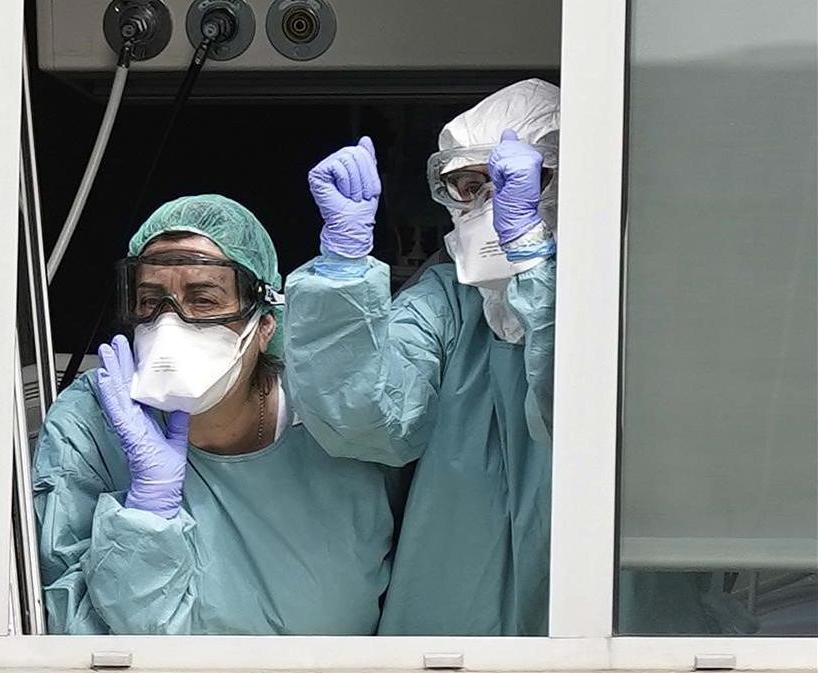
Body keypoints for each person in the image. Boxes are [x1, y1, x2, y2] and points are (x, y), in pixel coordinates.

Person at [284, 78, 755, 636]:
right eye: (468, 186)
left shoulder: (642, 301)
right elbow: (366, 425)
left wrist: (540, 272)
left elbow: (599, 427)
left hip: (620, 619)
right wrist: (342, 274)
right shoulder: (445, 304)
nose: (490, 206)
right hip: (458, 626)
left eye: (519, 186)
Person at [33, 194, 399, 635]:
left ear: (264, 325)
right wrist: (148, 514)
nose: (171, 323)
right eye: (150, 302)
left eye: (203, 300)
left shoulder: (332, 414)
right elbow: (80, 637)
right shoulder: (92, 422)